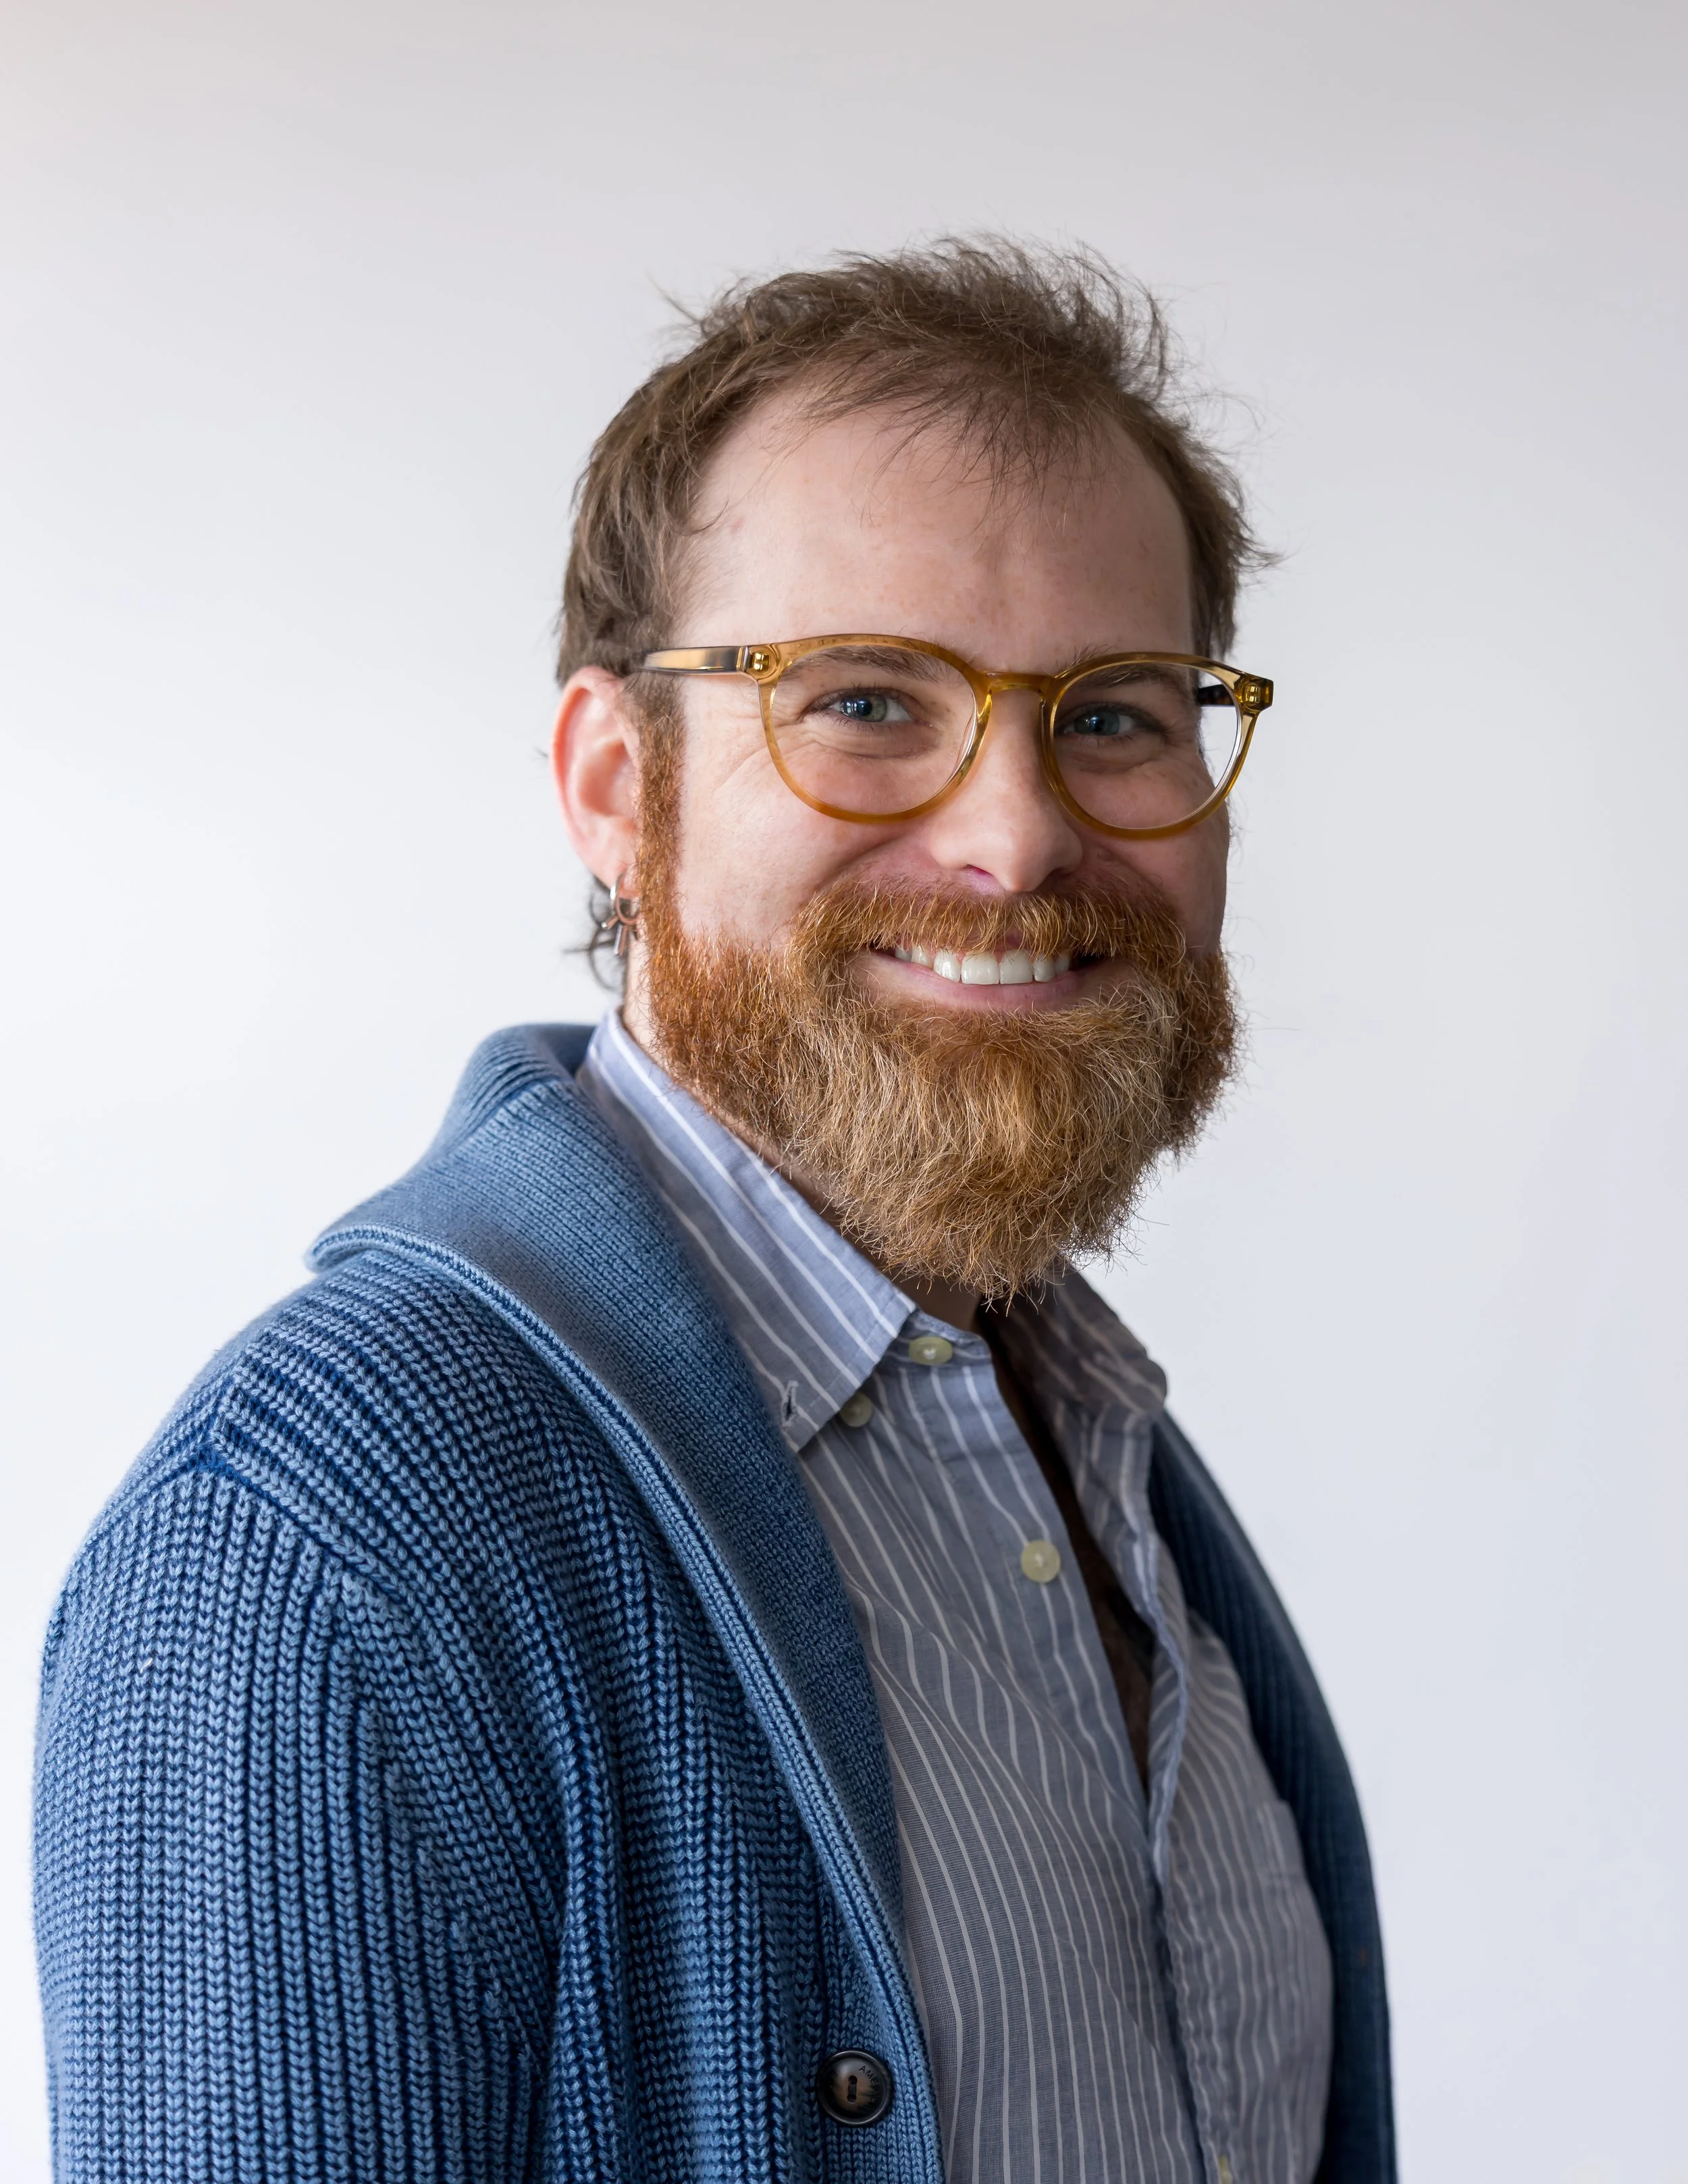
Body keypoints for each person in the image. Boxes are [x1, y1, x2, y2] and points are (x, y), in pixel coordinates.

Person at [34, 240, 1393, 2184]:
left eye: (1112, 714)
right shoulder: (318, 1558)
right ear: (614, 779)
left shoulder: (1075, 1426)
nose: (1014, 835)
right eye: (860, 701)